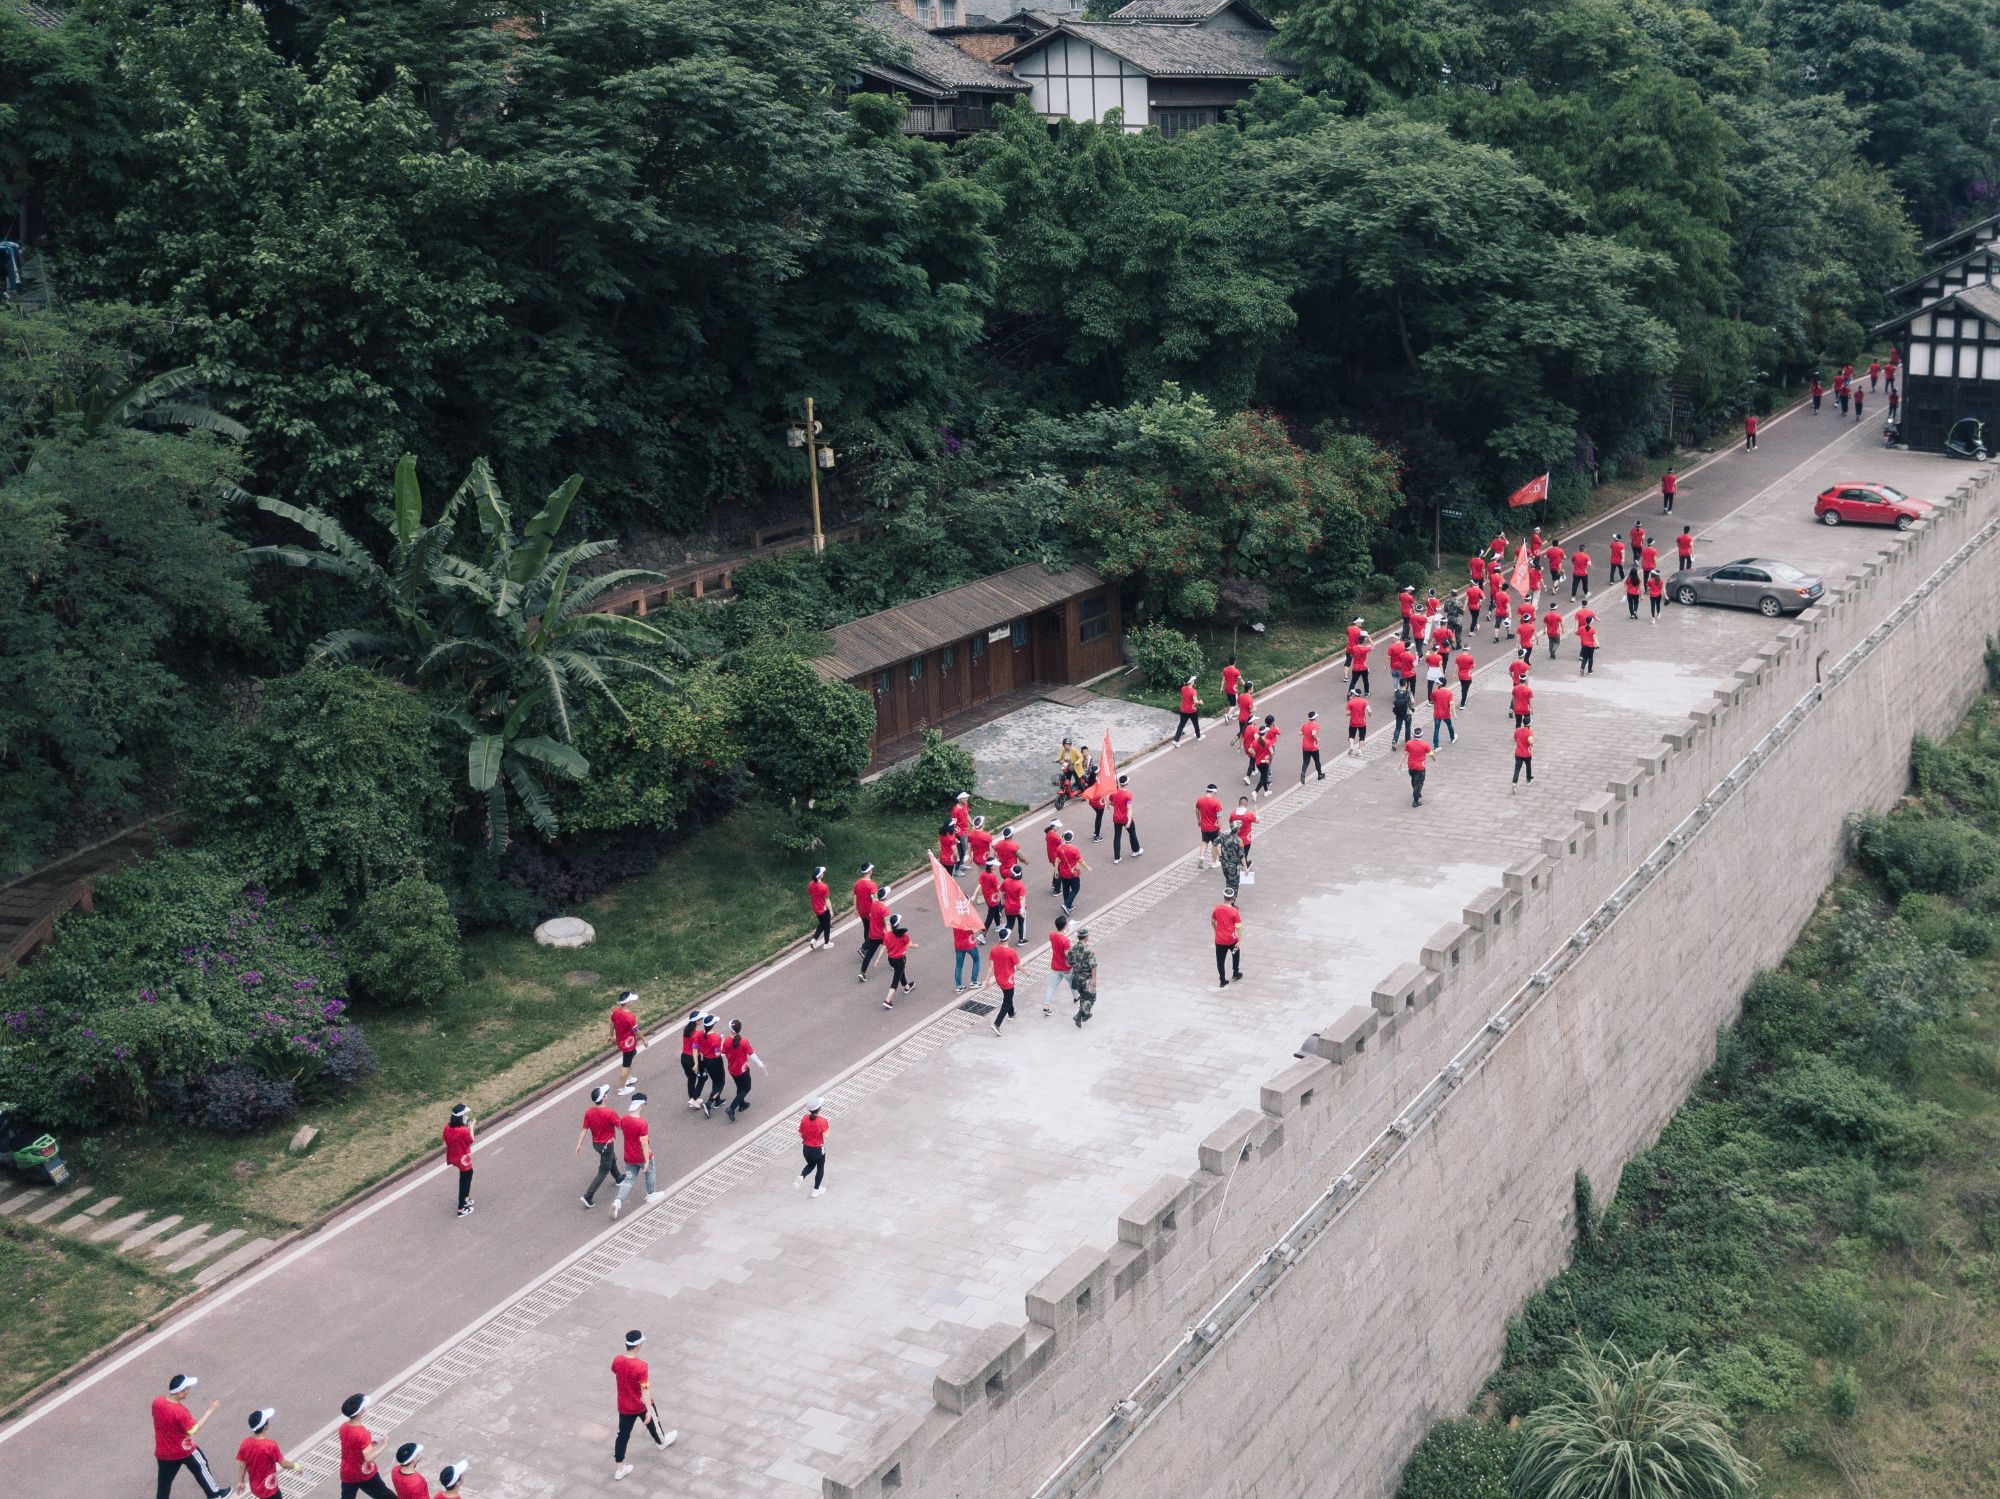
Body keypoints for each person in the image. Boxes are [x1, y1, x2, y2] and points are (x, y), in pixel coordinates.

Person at [610, 1331, 678, 1482]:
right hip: (639, 1404)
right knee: (654, 1422)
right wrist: (648, 1408)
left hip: (624, 1406)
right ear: (638, 1345)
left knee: (622, 1435)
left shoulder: (617, 1360)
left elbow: (615, 1370)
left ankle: (619, 1469)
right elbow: (645, 1388)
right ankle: (661, 1442)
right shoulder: (642, 1366)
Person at [153, 1375, 225, 1499]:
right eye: (187, 1388)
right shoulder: (180, 1411)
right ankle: (215, 1494)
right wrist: (210, 1410)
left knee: (164, 1485)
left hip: (163, 1452)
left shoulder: (157, 1402)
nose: (188, 1390)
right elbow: (193, 1430)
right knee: (201, 1465)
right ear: (180, 1392)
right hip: (184, 1450)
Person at [610, 1094, 662, 1215]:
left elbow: (619, 1126)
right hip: (641, 1156)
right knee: (650, 1172)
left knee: (629, 1179)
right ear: (642, 1105)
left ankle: (618, 1201)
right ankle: (651, 1194)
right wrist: (647, 1161)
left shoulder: (625, 1119)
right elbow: (644, 1144)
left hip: (629, 1156)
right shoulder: (642, 1123)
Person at [337, 1394, 396, 1499]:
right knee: (386, 1496)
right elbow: (368, 1458)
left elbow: (352, 1446)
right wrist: (384, 1444)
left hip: (347, 1472)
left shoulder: (343, 1427)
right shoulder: (362, 1433)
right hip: (364, 1474)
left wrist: (369, 1444)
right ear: (360, 1412)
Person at [577, 1084, 626, 1207]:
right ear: (603, 1098)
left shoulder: (589, 1112)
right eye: (605, 1094)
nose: (607, 1095)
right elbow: (620, 1126)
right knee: (603, 1170)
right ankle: (588, 1196)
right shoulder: (609, 1112)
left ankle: (618, 1177)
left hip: (596, 1144)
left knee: (611, 1159)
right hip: (606, 1145)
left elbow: (584, 1129)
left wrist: (579, 1144)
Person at [235, 1408, 299, 1499]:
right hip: (270, 1490)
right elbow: (284, 1464)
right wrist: (297, 1467)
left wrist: (241, 1481)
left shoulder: (245, 1443)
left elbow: (242, 1464)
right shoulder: (270, 1445)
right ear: (265, 1426)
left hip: (256, 1488)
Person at [721, 1019, 767, 1122]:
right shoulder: (743, 1041)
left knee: (740, 1087)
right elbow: (751, 1054)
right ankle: (732, 1108)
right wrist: (760, 1064)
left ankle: (742, 1104)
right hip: (743, 1069)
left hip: (732, 1069)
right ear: (740, 1029)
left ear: (730, 1029)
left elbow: (723, 1053)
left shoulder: (727, 1041)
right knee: (746, 1088)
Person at [442, 1104, 475, 1218]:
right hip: (463, 1159)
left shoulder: (447, 1127)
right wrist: (471, 1127)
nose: (466, 1116)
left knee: (466, 1176)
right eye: (465, 1115)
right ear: (461, 1117)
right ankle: (461, 1208)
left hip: (453, 1156)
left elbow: (446, 1139)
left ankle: (465, 1199)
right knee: (465, 1180)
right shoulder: (463, 1130)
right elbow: (471, 1140)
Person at [609, 991, 643, 1095]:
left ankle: (629, 1077)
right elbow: (636, 1031)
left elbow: (612, 1023)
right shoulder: (630, 1017)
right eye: (632, 1000)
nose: (633, 1002)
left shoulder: (616, 1012)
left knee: (631, 1057)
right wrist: (644, 1039)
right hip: (628, 1044)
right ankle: (622, 1088)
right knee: (626, 1064)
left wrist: (610, 1035)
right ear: (627, 1003)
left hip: (621, 1041)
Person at [856, 881, 891, 982]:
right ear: (885, 897)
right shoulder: (885, 910)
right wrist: (890, 935)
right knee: (892, 949)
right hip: (882, 935)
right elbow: (888, 924)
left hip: (872, 935)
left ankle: (862, 972)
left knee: (869, 955)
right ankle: (898, 962)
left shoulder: (873, 905)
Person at [1068, 926, 1099, 1028]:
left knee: (1082, 996)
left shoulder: (1072, 949)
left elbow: (1069, 962)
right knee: (1091, 997)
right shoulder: (1088, 950)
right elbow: (1093, 965)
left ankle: (1086, 1014)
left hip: (1077, 977)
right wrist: (1094, 978)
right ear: (1086, 937)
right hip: (1087, 978)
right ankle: (1079, 1015)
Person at [797, 1102, 830, 1197]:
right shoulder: (822, 1121)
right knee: (820, 1167)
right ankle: (816, 1190)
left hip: (806, 1149)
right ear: (819, 1108)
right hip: (818, 1149)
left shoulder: (804, 1118)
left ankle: (802, 1176)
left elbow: (800, 1134)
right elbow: (826, 1135)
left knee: (811, 1164)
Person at [883, 913, 916, 1008]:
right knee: (895, 980)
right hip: (899, 959)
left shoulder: (888, 935)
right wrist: (916, 945)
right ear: (898, 924)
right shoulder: (903, 935)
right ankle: (887, 1000)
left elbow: (885, 948)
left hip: (891, 959)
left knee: (900, 971)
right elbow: (909, 945)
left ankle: (907, 987)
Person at [989, 935, 1019, 1035]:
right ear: (1008, 939)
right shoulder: (1011, 951)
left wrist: (987, 978)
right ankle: (997, 1024)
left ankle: (1011, 1013)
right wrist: (1027, 973)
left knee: (1008, 997)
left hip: (999, 979)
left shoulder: (994, 949)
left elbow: (991, 965)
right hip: (1008, 981)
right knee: (1007, 1001)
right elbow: (1018, 966)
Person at [1212, 892, 1243, 988]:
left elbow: (1213, 922)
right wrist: (1240, 940)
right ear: (1232, 898)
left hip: (1219, 941)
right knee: (1235, 954)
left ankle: (1222, 980)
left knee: (1220, 960)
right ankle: (1235, 972)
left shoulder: (1216, 909)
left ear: (1224, 897)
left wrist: (1217, 931)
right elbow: (1238, 927)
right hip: (1232, 940)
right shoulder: (1234, 911)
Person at [1044, 913, 1072, 1016]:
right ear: (1065, 926)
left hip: (1055, 966)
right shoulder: (1066, 941)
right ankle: (1076, 997)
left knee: (1051, 987)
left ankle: (1046, 1007)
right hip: (1065, 967)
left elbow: (1058, 938)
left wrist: (1065, 932)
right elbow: (1067, 954)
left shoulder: (1052, 935)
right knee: (1072, 984)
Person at [1054, 829, 1088, 913]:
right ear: (1072, 839)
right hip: (1072, 873)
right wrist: (1087, 867)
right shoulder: (1074, 849)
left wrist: (1056, 871)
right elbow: (1080, 860)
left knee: (1066, 889)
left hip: (1063, 872)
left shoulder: (1059, 848)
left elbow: (1056, 860)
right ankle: (1066, 904)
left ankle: (1068, 905)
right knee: (1076, 888)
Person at [1110, 774, 1141, 861]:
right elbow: (1129, 809)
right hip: (1125, 818)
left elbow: (1111, 802)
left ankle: (1117, 857)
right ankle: (1136, 850)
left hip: (1116, 818)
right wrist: (1129, 821)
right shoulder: (1128, 794)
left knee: (1117, 837)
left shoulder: (1114, 792)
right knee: (1132, 833)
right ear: (1126, 783)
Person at [1195, 783, 1224, 868]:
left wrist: (1199, 821)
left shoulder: (1200, 800)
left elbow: (1197, 811)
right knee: (1214, 845)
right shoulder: (1216, 802)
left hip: (1204, 826)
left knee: (1204, 841)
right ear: (1214, 792)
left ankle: (1201, 857)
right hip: (1214, 828)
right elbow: (1219, 817)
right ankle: (1215, 862)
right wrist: (1220, 828)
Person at [951, 920, 982, 994]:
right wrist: (978, 927)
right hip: (969, 944)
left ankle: (959, 986)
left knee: (959, 965)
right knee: (976, 960)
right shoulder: (967, 919)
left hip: (958, 945)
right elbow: (974, 930)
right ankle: (974, 982)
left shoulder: (954, 920)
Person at [806, 866, 832, 950]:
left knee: (822, 924)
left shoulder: (810, 884)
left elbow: (810, 893)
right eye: (823, 872)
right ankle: (827, 943)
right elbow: (827, 900)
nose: (824, 873)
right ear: (820, 875)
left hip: (815, 908)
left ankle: (814, 940)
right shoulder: (824, 886)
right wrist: (831, 910)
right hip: (823, 909)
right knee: (827, 925)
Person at [1253, 715, 1279, 797]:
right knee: (1263, 777)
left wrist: (1256, 755)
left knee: (1263, 775)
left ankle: (1266, 791)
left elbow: (1251, 750)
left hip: (1257, 761)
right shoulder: (1268, 742)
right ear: (1265, 732)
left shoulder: (1256, 741)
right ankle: (1255, 792)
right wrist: (1269, 756)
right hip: (1265, 761)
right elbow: (1271, 752)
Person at [1001, 862, 1027, 942]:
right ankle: (1021, 940)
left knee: (1009, 924)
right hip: (1018, 908)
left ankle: (1003, 937)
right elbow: (1022, 898)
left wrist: (1002, 899)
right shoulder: (1020, 885)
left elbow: (1001, 890)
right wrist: (1022, 908)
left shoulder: (1006, 881)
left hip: (1008, 907)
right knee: (1021, 923)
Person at [1172, 675, 1203, 744]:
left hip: (1183, 710)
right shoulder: (1193, 691)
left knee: (1181, 725)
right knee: (1196, 724)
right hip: (1192, 711)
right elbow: (1195, 701)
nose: (1194, 681)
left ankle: (1175, 740)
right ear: (1190, 682)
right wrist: (1200, 702)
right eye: (1193, 680)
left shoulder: (1183, 688)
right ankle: (1198, 737)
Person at [1217, 823, 1244, 899]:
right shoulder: (1238, 840)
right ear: (1238, 830)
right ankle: (1231, 902)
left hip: (1224, 864)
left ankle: (1227, 899)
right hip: (1233, 866)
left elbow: (1214, 844)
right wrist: (1245, 867)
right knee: (1234, 884)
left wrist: (1219, 855)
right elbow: (1242, 856)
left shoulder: (1224, 836)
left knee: (1228, 881)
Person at [978, 857, 1004, 935]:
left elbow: (980, 884)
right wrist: (1001, 898)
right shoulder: (993, 876)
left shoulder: (983, 873)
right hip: (994, 898)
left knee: (995, 911)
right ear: (991, 866)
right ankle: (982, 934)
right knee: (990, 916)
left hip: (987, 897)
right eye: (995, 865)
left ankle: (998, 925)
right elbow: (997, 888)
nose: (996, 866)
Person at [1405, 734, 1431, 808]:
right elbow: (1430, 753)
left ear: (1414, 735)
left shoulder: (1409, 743)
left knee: (1413, 780)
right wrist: (1433, 758)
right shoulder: (1425, 744)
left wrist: (1400, 762)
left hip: (1411, 765)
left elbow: (1406, 752)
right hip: (1420, 767)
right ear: (1421, 735)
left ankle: (1416, 792)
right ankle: (1415, 800)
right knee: (1419, 783)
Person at [1428, 680, 1456, 748]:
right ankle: (1452, 738)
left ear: (1440, 684)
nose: (1437, 684)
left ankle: (1436, 746)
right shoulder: (1449, 693)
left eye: (1438, 683)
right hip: (1446, 713)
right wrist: (1455, 714)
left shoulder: (1435, 692)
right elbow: (1451, 703)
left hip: (1437, 713)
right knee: (1449, 725)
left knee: (1436, 729)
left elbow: (1432, 699)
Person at [852, 864, 877, 934]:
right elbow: (875, 900)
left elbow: (855, 896)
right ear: (870, 871)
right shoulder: (872, 885)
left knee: (866, 928)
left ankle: (867, 942)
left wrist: (855, 909)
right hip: (870, 911)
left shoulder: (857, 883)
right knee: (873, 930)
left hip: (861, 911)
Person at [1299, 711, 1323, 783]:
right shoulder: (1315, 725)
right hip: (1313, 747)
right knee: (1317, 761)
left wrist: (1305, 736)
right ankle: (1319, 775)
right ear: (1315, 718)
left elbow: (1300, 733)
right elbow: (1313, 733)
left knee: (1306, 762)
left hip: (1305, 746)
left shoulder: (1305, 725)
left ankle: (1303, 772)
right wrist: (1316, 739)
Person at [1390, 680, 1414, 747]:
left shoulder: (1396, 692)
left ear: (1400, 684)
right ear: (1406, 684)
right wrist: (1410, 706)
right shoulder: (1409, 692)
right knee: (1408, 727)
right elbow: (1413, 701)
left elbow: (1394, 702)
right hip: (1407, 713)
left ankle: (1395, 740)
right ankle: (1408, 740)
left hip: (1399, 713)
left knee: (1398, 728)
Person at [1345, 690, 1369, 756]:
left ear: (1354, 694)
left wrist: (1352, 713)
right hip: (1362, 722)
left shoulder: (1350, 702)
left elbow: (1347, 713)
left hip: (1353, 722)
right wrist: (1369, 714)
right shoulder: (1364, 701)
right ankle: (1360, 751)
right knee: (1362, 737)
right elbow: (1369, 711)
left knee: (1351, 735)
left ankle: (1352, 745)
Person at [1044, 821, 1064, 894]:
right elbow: (1061, 842)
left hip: (1051, 855)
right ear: (1053, 826)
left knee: (1057, 869)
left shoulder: (1049, 833)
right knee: (1059, 872)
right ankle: (1057, 890)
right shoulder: (1054, 835)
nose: (1058, 827)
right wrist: (1061, 838)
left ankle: (1054, 883)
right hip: (1056, 857)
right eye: (1057, 826)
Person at [1513, 723, 1535, 788]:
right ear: (1529, 724)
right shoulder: (1529, 732)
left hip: (1518, 753)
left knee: (1517, 768)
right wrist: (1531, 745)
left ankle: (1514, 782)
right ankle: (1528, 779)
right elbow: (1530, 742)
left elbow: (1515, 739)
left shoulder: (1517, 730)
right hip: (1526, 754)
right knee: (1528, 766)